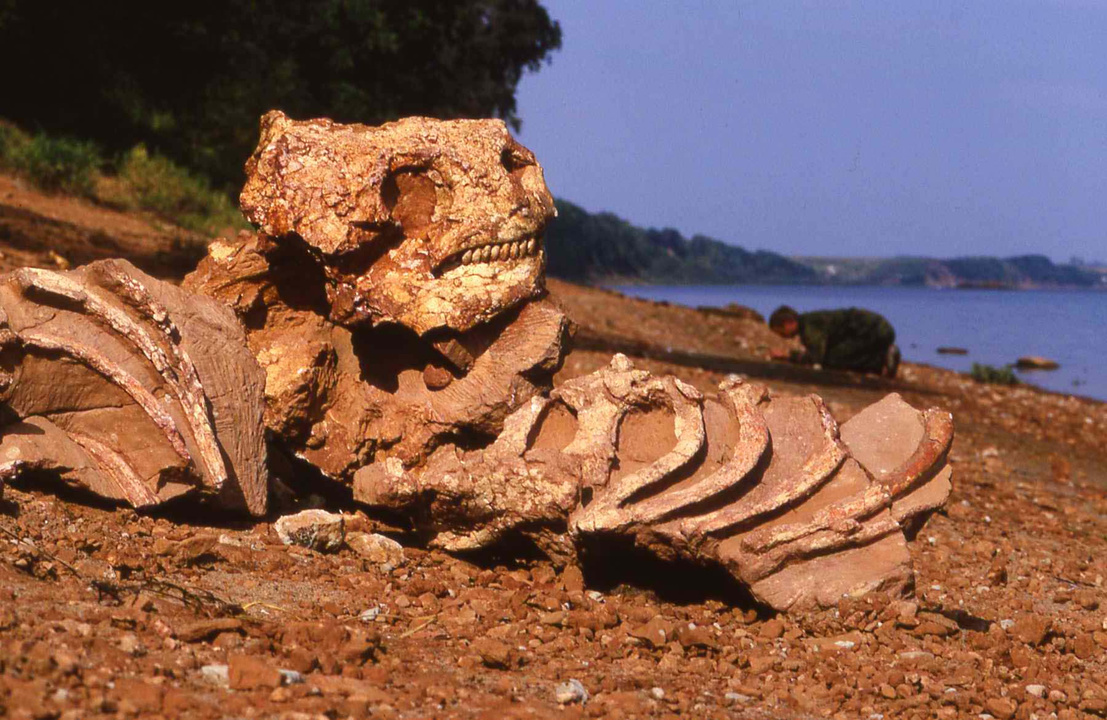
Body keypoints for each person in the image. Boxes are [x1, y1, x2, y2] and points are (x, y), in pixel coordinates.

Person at [768, 305, 901, 378]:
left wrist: (789, 356)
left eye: (781, 332)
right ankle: (882, 359)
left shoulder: (810, 326)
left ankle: (882, 359)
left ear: (788, 323)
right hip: (876, 328)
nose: (782, 336)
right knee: (840, 353)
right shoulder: (810, 322)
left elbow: (817, 357)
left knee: (834, 359)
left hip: (875, 330)